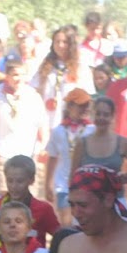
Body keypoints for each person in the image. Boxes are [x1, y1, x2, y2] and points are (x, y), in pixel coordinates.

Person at [43, 88, 93, 224]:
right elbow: (52, 158)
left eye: (87, 105)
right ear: (70, 106)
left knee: (84, 222)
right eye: (81, 105)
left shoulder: (92, 130)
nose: (85, 109)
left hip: (87, 184)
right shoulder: (58, 131)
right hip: (63, 184)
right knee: (66, 220)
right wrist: (48, 184)